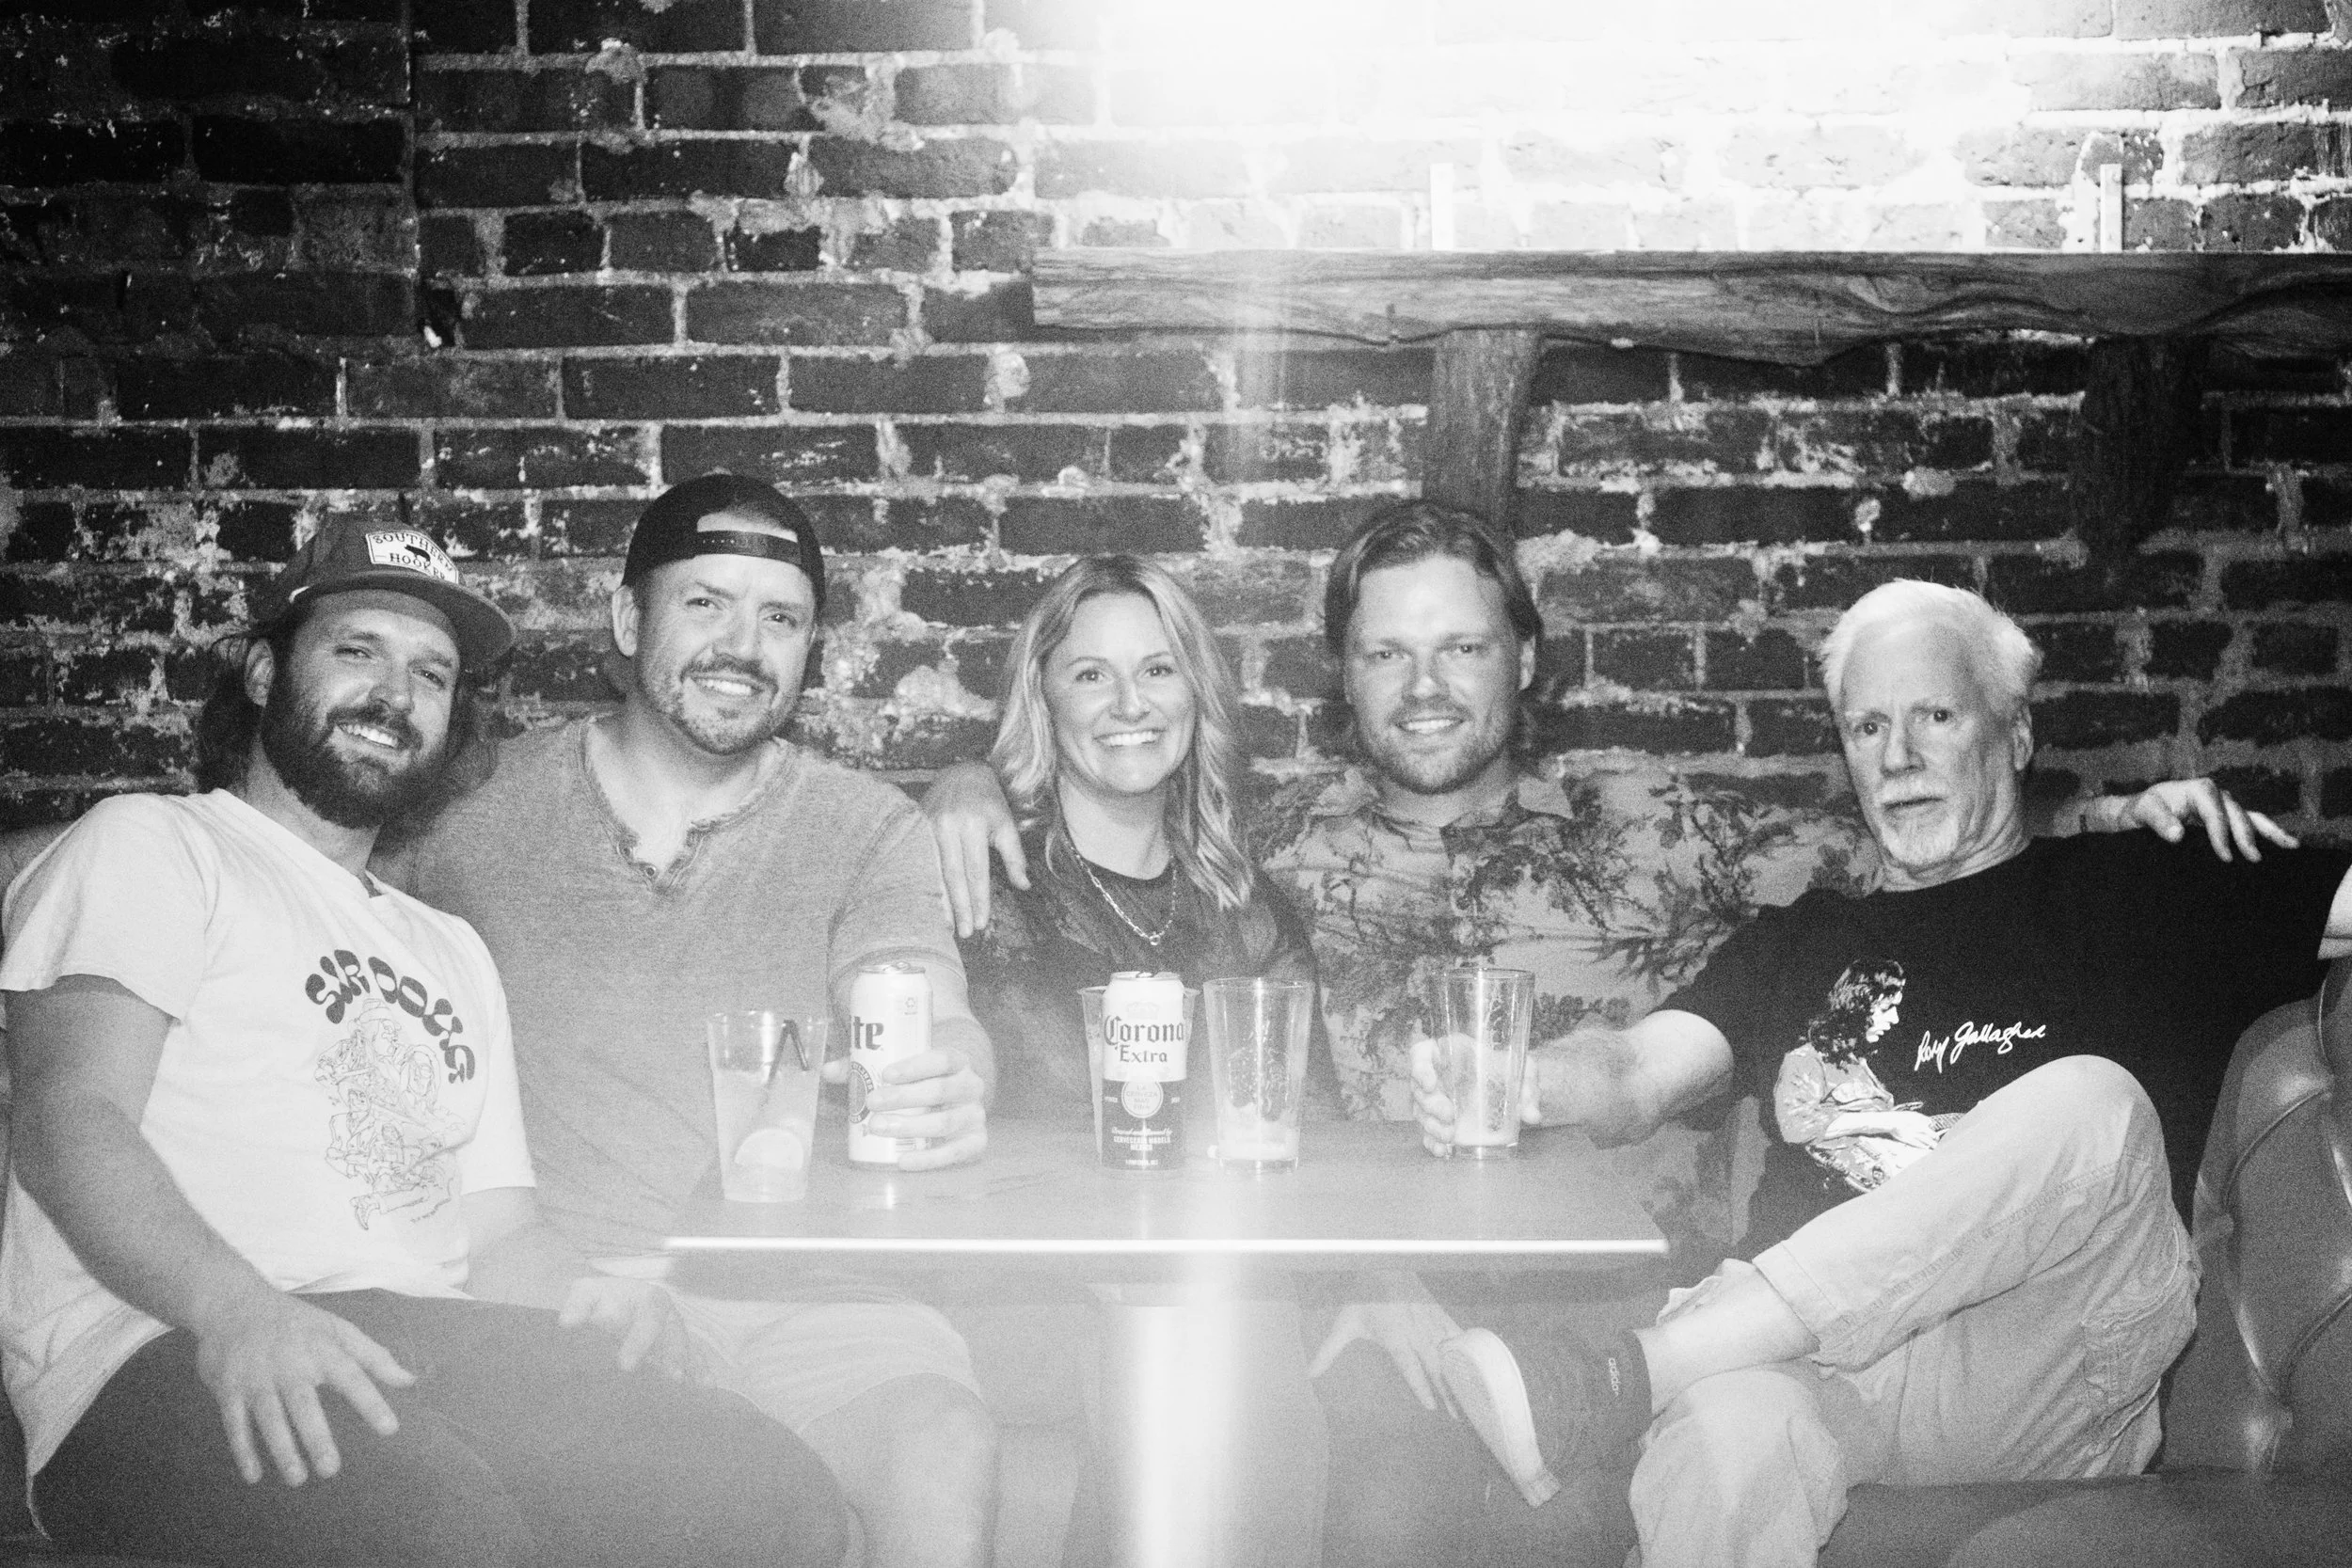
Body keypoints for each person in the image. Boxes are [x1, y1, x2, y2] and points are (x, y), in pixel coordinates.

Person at [924, 504, 2290, 1567]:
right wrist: (969, 777)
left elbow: (1931, 854)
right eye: (1386, 651)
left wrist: (2104, 825)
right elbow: (1107, 829)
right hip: (1402, 1310)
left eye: (1462, 645)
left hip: (1642, 1311)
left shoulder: (1668, 830)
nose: (1424, 683)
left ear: (1523, 656)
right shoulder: (1260, 862)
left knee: (2079, 1106)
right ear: (1342, 673)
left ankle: (1618, 1378)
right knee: (1428, 1482)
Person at [1421, 578, 2352, 1568]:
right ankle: (1659, 1374)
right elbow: (1635, 1067)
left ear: (2016, 734)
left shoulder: (2144, 883)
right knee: (1727, 1434)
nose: (1898, 754)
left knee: (2095, 1103)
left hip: (2035, 1364)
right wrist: (1519, 1077)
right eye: (1867, 727)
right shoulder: (1799, 939)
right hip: (1803, 1368)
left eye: (1934, 716)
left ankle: (1632, 1370)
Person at [0, 520, 845, 1567]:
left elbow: (500, 1235)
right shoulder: (155, 845)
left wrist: (600, 1295)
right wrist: (239, 1310)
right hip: (165, 1346)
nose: (394, 694)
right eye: (358, 650)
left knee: (769, 1494)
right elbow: (68, 1118)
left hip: (420, 1338)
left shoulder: (446, 948)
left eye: (431, 673)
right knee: (444, 1529)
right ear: (263, 673)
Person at [383, 475, 998, 1568]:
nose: (743, 646)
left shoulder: (864, 828)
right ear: (629, 619)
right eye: (706, 602)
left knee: (943, 1440)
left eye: (780, 617)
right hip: (572, 1294)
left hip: (818, 1291)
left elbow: (925, 1008)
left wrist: (955, 1073)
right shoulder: (465, 814)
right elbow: (293, 895)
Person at [953, 554, 1336, 1567]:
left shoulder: (1247, 909)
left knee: (1222, 1344)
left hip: (1220, 1295)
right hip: (1027, 1290)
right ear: (1042, 698)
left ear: (1195, 693)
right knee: (1190, 1353)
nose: (1129, 702)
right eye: (1090, 673)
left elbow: (1318, 1140)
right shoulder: (984, 885)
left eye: (1158, 669)